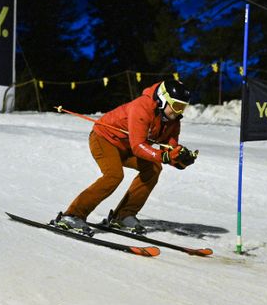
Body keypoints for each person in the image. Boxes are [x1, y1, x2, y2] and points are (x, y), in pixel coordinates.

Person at [53, 79, 197, 235]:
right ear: (163, 99)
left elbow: (169, 148)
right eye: (176, 106)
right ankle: (72, 215)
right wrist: (166, 156)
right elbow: (138, 146)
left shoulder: (172, 120)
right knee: (114, 175)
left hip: (127, 148)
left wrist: (180, 160)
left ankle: (123, 215)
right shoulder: (142, 107)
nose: (178, 112)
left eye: (182, 108)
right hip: (105, 139)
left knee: (153, 168)